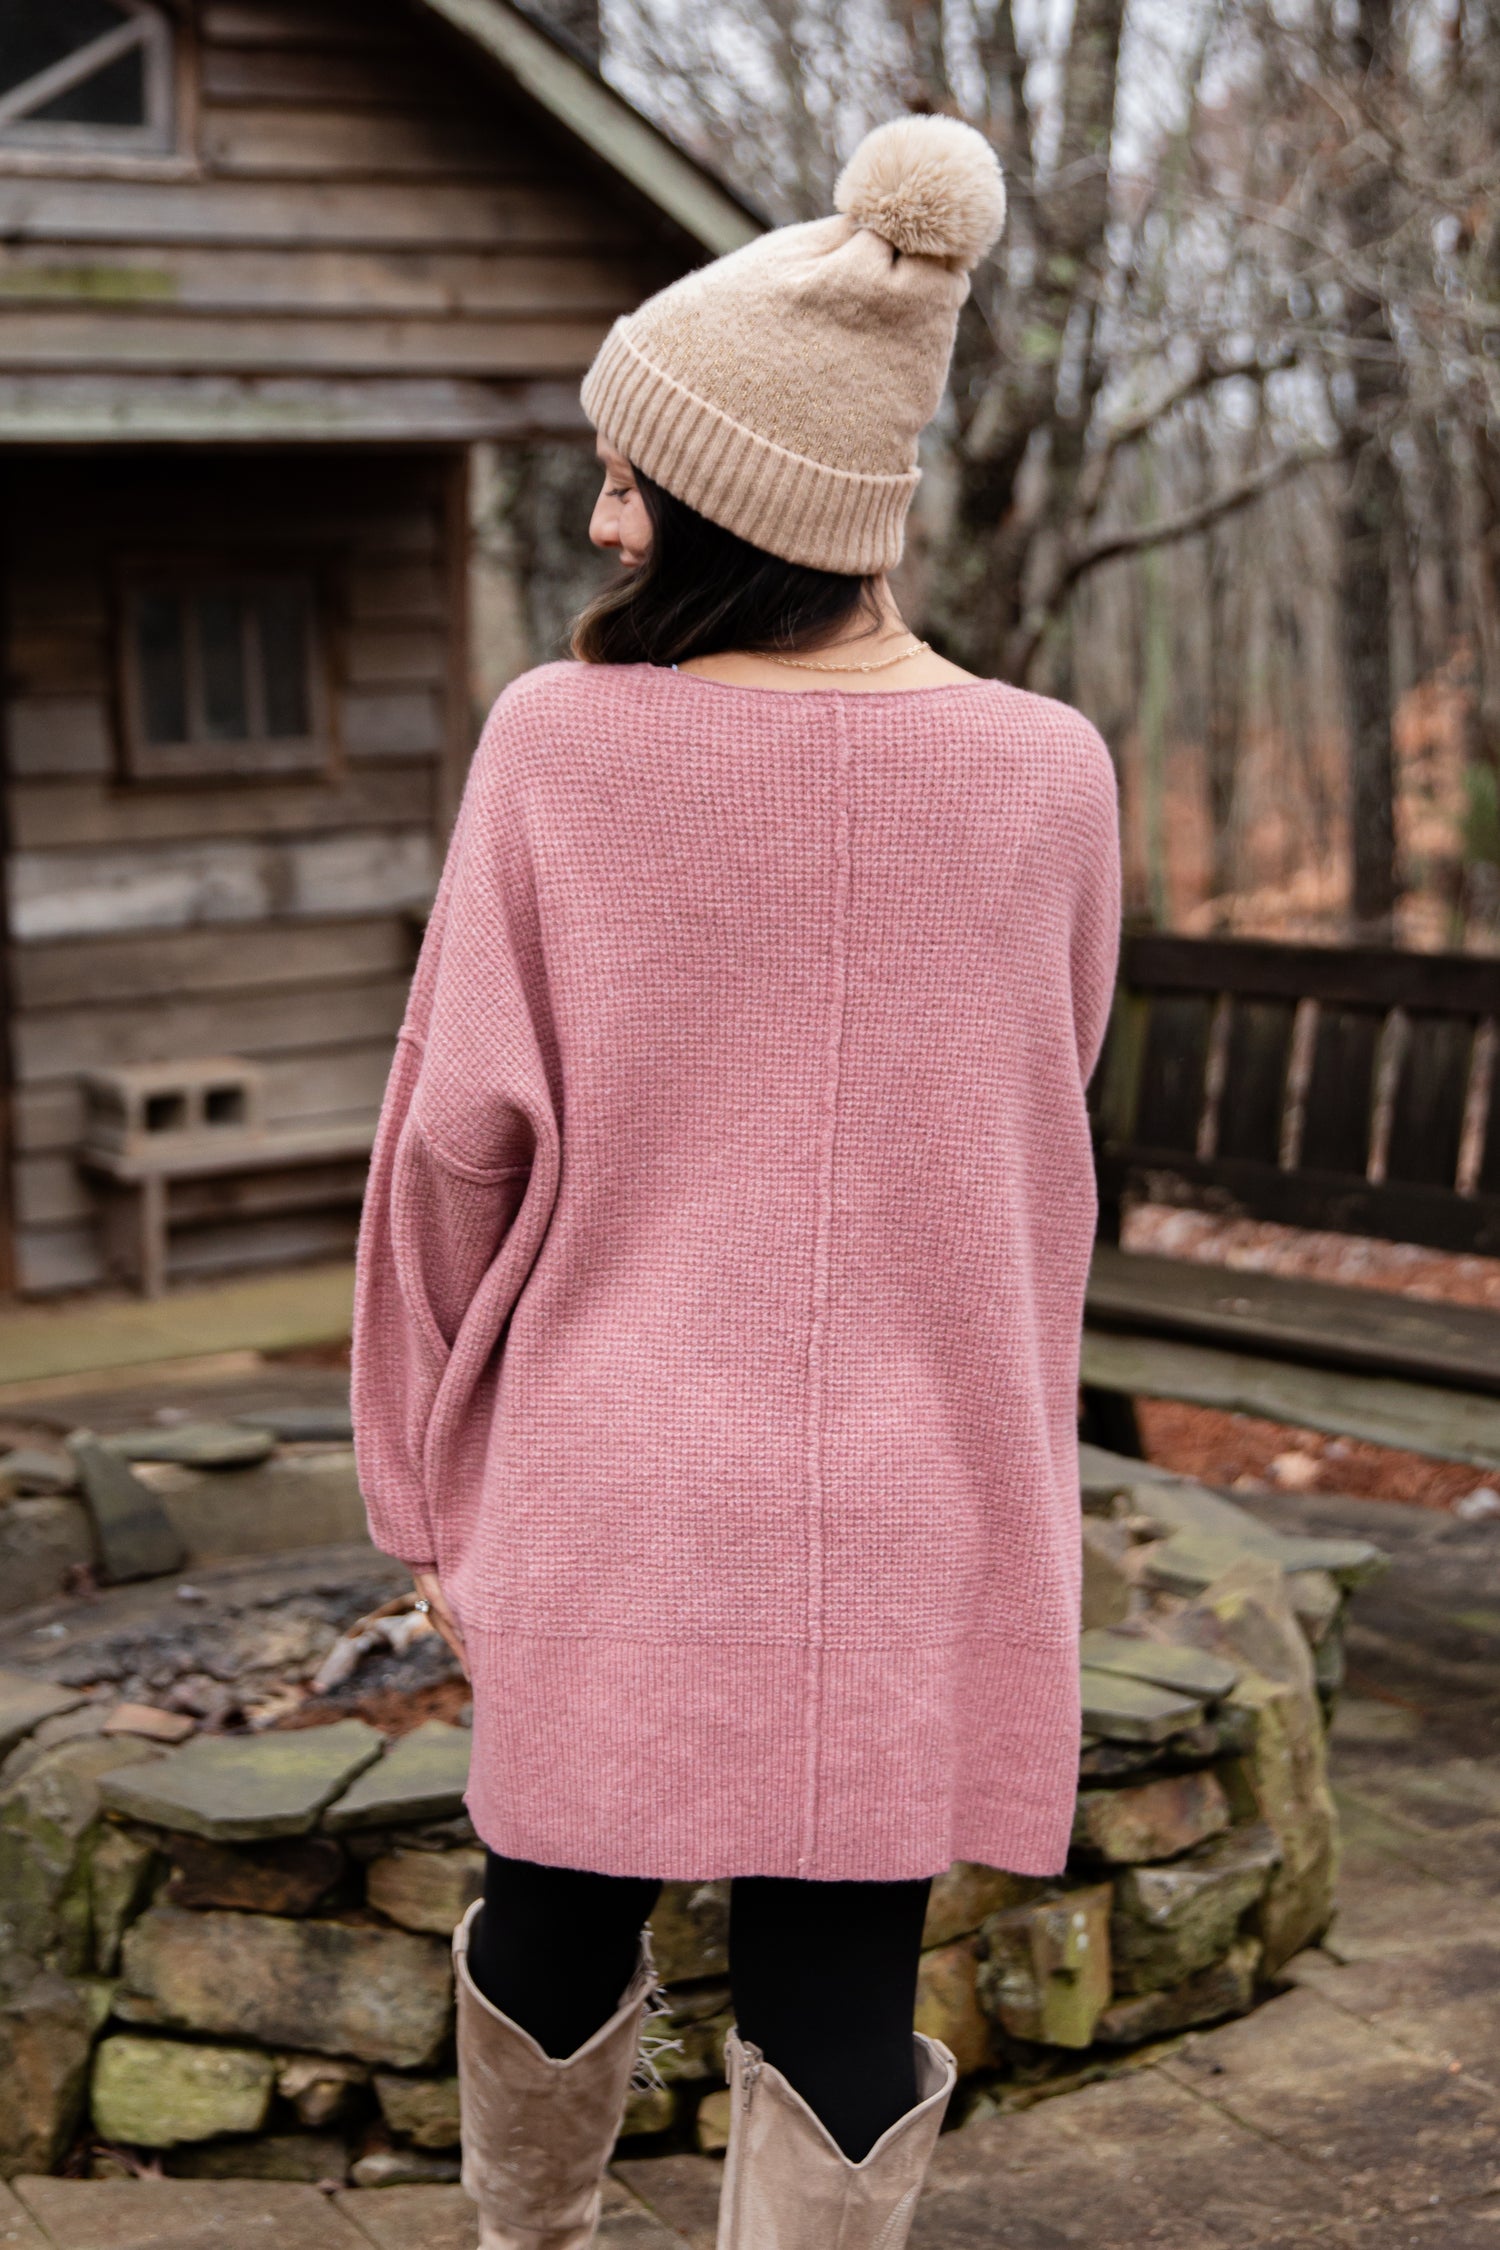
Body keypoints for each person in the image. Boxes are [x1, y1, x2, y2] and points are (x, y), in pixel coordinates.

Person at [351, 111, 1121, 2250]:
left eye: (635, 472)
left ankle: (534, 2236)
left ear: (736, 503)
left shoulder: (558, 748)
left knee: (558, 1907)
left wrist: (422, 1483)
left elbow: (446, 1148)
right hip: (918, 1477)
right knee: (841, 1981)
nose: (605, 516)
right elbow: (1031, 1133)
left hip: (611, 1468)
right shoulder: (1054, 775)